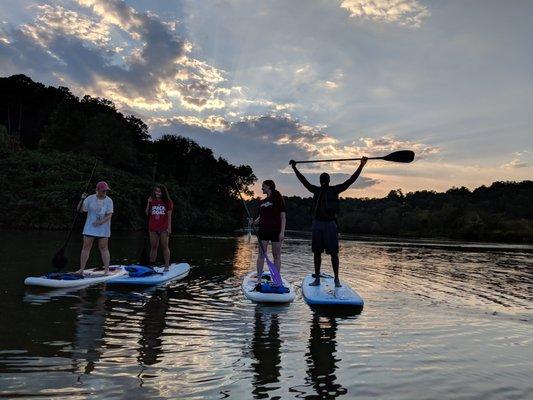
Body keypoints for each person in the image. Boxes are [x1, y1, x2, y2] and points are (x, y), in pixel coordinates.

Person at [289, 158, 367, 287]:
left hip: (330, 224)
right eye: (322, 179)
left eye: (325, 179)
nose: (324, 181)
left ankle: (336, 279)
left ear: (329, 181)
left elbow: (350, 181)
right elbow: (303, 181)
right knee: (317, 253)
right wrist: (295, 168)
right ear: (320, 181)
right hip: (318, 224)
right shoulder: (316, 190)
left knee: (334, 253)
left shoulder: (335, 190)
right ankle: (317, 278)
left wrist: (361, 165)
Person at [252, 180, 286, 283]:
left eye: (263, 186)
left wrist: (282, 232)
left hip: (276, 231)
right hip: (263, 231)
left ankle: (276, 279)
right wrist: (254, 222)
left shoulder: (279, 200)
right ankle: (259, 279)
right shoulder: (262, 202)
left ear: (269, 187)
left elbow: (283, 217)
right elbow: (261, 217)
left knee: (276, 255)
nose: (262, 188)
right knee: (261, 254)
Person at [77, 181, 114, 274]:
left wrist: (101, 222)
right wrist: (82, 199)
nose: (105, 192)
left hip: (103, 228)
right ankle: (81, 269)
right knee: (86, 247)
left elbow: (110, 215)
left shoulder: (109, 200)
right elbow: (79, 210)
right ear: (97, 190)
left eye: (106, 191)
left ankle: (106, 270)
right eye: (103, 191)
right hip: (90, 227)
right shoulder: (89, 199)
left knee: (103, 247)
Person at [145, 184, 173, 271]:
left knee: (165, 246)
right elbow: (147, 213)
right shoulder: (152, 201)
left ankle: (167, 266)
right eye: (156, 191)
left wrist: (169, 227)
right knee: (153, 247)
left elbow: (169, 216)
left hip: (164, 228)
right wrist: (148, 202)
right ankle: (151, 266)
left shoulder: (168, 202)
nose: (157, 193)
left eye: (159, 191)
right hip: (153, 228)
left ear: (163, 192)